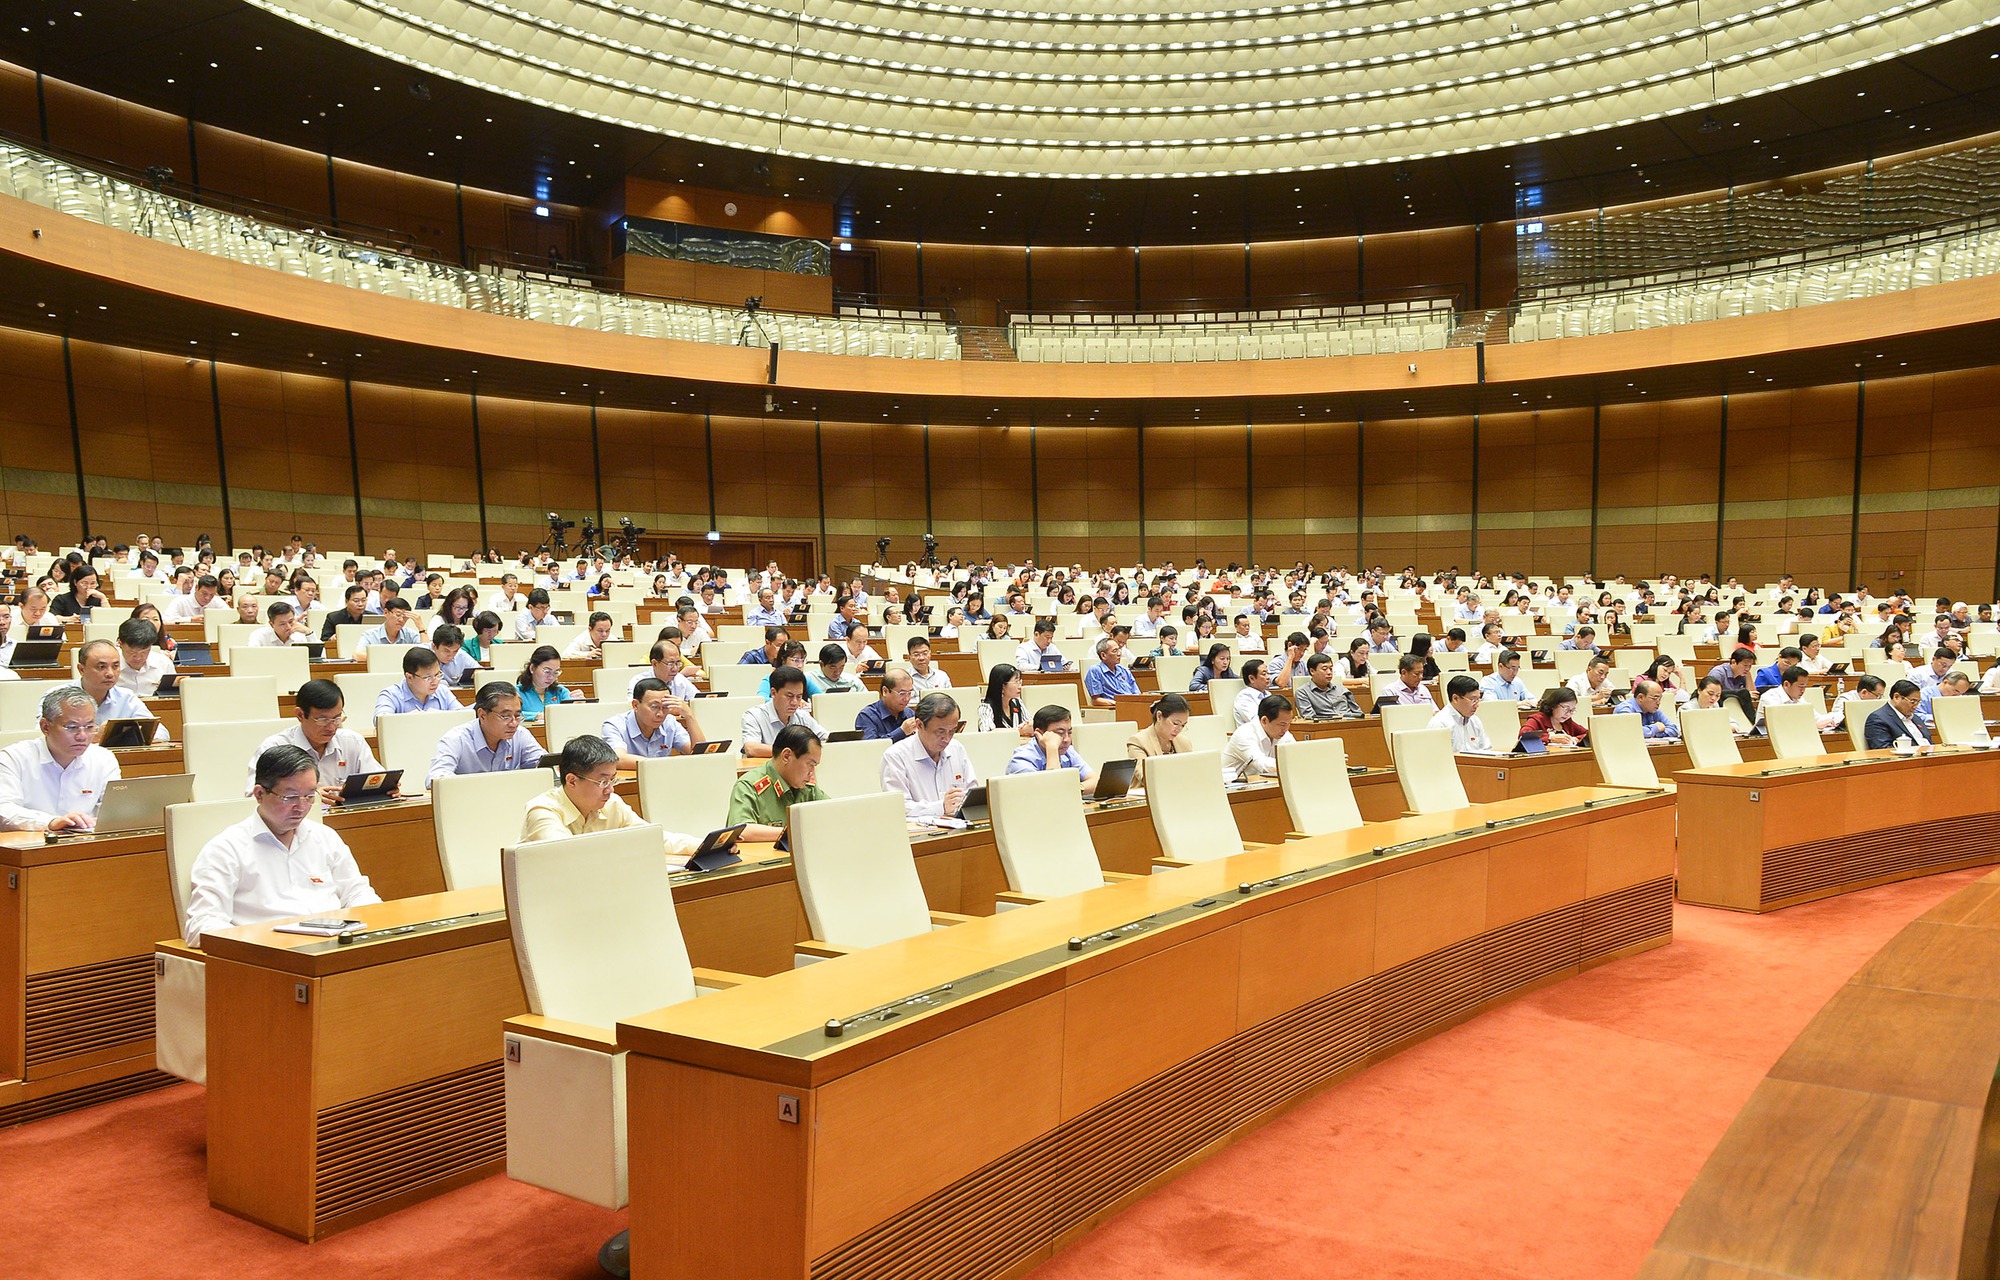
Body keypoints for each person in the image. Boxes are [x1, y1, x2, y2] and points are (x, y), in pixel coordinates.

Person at [181, 745, 383, 945]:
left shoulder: (325, 838)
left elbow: (358, 893)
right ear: (259, 794)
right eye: (290, 797)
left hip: (335, 948)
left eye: (309, 796)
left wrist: (375, 922)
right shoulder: (226, 849)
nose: (301, 807)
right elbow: (201, 926)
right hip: (269, 957)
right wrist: (262, 943)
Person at [520, 735, 703, 855]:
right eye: (602, 782)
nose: (610, 790)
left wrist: (703, 846)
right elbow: (567, 855)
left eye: (613, 780)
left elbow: (651, 838)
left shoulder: (612, 804)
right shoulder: (542, 810)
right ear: (572, 781)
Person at [0, 686, 121, 832]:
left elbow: (114, 812)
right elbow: (4, 809)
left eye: (89, 727)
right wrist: (50, 822)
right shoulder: (13, 758)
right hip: (32, 846)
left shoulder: (104, 759)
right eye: (71, 727)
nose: (82, 736)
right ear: (45, 727)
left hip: (85, 844)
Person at [247, 680, 387, 803]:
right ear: (300, 715)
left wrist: (387, 789)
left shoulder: (352, 742)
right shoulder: (274, 748)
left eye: (337, 718)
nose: (332, 727)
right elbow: (253, 799)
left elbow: (376, 779)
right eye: (323, 720)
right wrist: (307, 796)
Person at [880, 692, 978, 822]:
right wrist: (941, 806)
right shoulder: (895, 756)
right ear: (919, 725)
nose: (947, 739)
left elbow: (972, 794)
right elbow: (898, 808)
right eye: (940, 731)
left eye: (952, 731)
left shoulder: (956, 748)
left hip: (959, 829)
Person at [726, 724, 828, 842]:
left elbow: (833, 812)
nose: (812, 772)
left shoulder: (807, 787)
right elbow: (741, 830)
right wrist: (795, 832)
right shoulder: (749, 786)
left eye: (815, 766)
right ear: (786, 756)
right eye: (810, 764)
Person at [429, 682, 549, 780]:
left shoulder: (520, 734)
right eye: (505, 716)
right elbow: (436, 778)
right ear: (482, 715)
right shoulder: (456, 739)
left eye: (517, 716)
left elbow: (545, 764)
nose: (513, 724)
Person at [75, 640, 166, 742]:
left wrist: (117, 736)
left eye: (115, 666)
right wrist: (94, 737)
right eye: (101, 667)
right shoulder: (59, 699)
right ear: (81, 669)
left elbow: (161, 732)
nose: (110, 673)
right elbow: (54, 737)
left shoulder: (126, 697)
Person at [741, 666, 828, 758]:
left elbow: (826, 739)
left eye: (799, 697)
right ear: (774, 693)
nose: (795, 702)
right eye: (789, 696)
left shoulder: (802, 716)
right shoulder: (754, 715)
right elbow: (751, 749)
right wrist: (796, 752)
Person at [1006, 705, 1096, 787]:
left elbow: (1094, 780)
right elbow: (1053, 790)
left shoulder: (1068, 752)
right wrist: (1051, 747)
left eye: (1069, 732)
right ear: (1039, 733)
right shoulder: (1022, 760)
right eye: (1059, 733)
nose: (1067, 739)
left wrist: (1077, 789)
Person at [1222, 693, 1295, 781]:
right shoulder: (1245, 734)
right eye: (1282, 724)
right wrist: (1290, 764)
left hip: (1260, 784)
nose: (1286, 729)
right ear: (1264, 720)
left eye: (1289, 724)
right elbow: (1260, 763)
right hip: (1230, 787)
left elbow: (1296, 755)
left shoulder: (1283, 733)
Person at [1126, 693, 1193, 783]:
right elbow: (1146, 777)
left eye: (1183, 725)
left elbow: (1192, 774)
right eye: (1176, 724)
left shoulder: (1184, 742)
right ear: (1159, 716)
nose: (1179, 729)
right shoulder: (1138, 742)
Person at [375, 647, 456, 717]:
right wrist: (414, 718)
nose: (435, 682)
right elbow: (381, 720)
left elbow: (461, 716)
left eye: (438, 675)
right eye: (428, 678)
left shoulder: (442, 691)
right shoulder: (391, 695)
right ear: (409, 677)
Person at [1428, 675, 1492, 752]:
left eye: (1478, 700)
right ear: (1455, 698)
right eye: (1473, 700)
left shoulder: (1475, 721)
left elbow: (1487, 749)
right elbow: (1438, 758)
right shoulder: (1440, 724)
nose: (1477, 705)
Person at [1293, 652, 1362, 720]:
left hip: (1350, 724)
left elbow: (1358, 713)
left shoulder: (1342, 689)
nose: (1329, 672)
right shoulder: (1303, 692)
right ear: (1312, 671)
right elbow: (1310, 718)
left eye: (1331, 669)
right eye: (1324, 669)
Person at [114, 618, 176, 696]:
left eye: (144, 652)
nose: (138, 658)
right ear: (120, 644)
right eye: (132, 652)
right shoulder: (109, 666)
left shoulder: (164, 663)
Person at [856, 669, 919, 743]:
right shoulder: (867, 716)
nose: (907, 698)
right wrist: (901, 732)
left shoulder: (910, 714)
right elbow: (870, 748)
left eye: (910, 693)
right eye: (902, 693)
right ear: (885, 691)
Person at [1863, 679, 1929, 749]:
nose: (1916, 707)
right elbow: (1883, 749)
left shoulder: (1915, 718)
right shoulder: (1877, 719)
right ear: (1896, 697)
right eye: (1912, 702)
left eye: (1918, 702)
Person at [514, 645, 574, 720]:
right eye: (547, 671)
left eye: (556, 672)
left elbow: (571, 711)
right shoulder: (516, 693)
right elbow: (512, 715)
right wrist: (536, 716)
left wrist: (579, 704)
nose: (551, 677)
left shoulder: (561, 691)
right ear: (532, 668)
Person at [1521, 686, 1589, 747]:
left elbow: (1588, 734)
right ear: (1554, 705)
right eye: (1566, 708)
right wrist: (1550, 738)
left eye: (1572, 710)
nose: (1568, 714)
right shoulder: (1538, 719)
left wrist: (1577, 739)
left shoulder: (1567, 722)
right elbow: (1523, 735)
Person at [1084, 634, 1140, 708]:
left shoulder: (1125, 671)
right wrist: (1118, 703)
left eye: (1119, 649)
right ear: (1103, 655)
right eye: (1115, 651)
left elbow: (1137, 694)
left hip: (1132, 706)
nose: (1119, 654)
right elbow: (1096, 700)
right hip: (1115, 708)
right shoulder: (1095, 670)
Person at [1614, 679, 1681, 739]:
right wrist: (1655, 728)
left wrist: (1653, 734)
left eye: (1660, 699)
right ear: (1641, 697)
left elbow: (1673, 729)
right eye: (1655, 698)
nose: (1659, 703)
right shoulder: (1625, 709)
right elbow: (1630, 732)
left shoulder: (1654, 710)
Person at [1754, 664, 1812, 732]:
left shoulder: (1798, 698)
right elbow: (1782, 722)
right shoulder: (1770, 697)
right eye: (1801, 687)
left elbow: (1815, 718)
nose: (1803, 691)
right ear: (1786, 684)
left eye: (1805, 687)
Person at [1822, 673, 1886, 732]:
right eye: (1878, 695)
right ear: (1864, 692)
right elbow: (1837, 719)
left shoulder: (1874, 702)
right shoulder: (1845, 699)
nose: (1878, 699)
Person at [978, 664, 1029, 736]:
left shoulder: (1017, 702)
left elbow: (1029, 722)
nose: (1020, 686)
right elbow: (987, 732)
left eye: (1020, 682)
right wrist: (1017, 731)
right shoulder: (986, 708)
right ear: (1002, 686)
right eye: (1016, 682)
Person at [1232, 658, 1273, 726]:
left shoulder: (1268, 694)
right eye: (1264, 674)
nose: (1268, 677)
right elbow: (1257, 722)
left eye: (1268, 673)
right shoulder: (1244, 697)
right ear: (1252, 678)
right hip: (1251, 735)